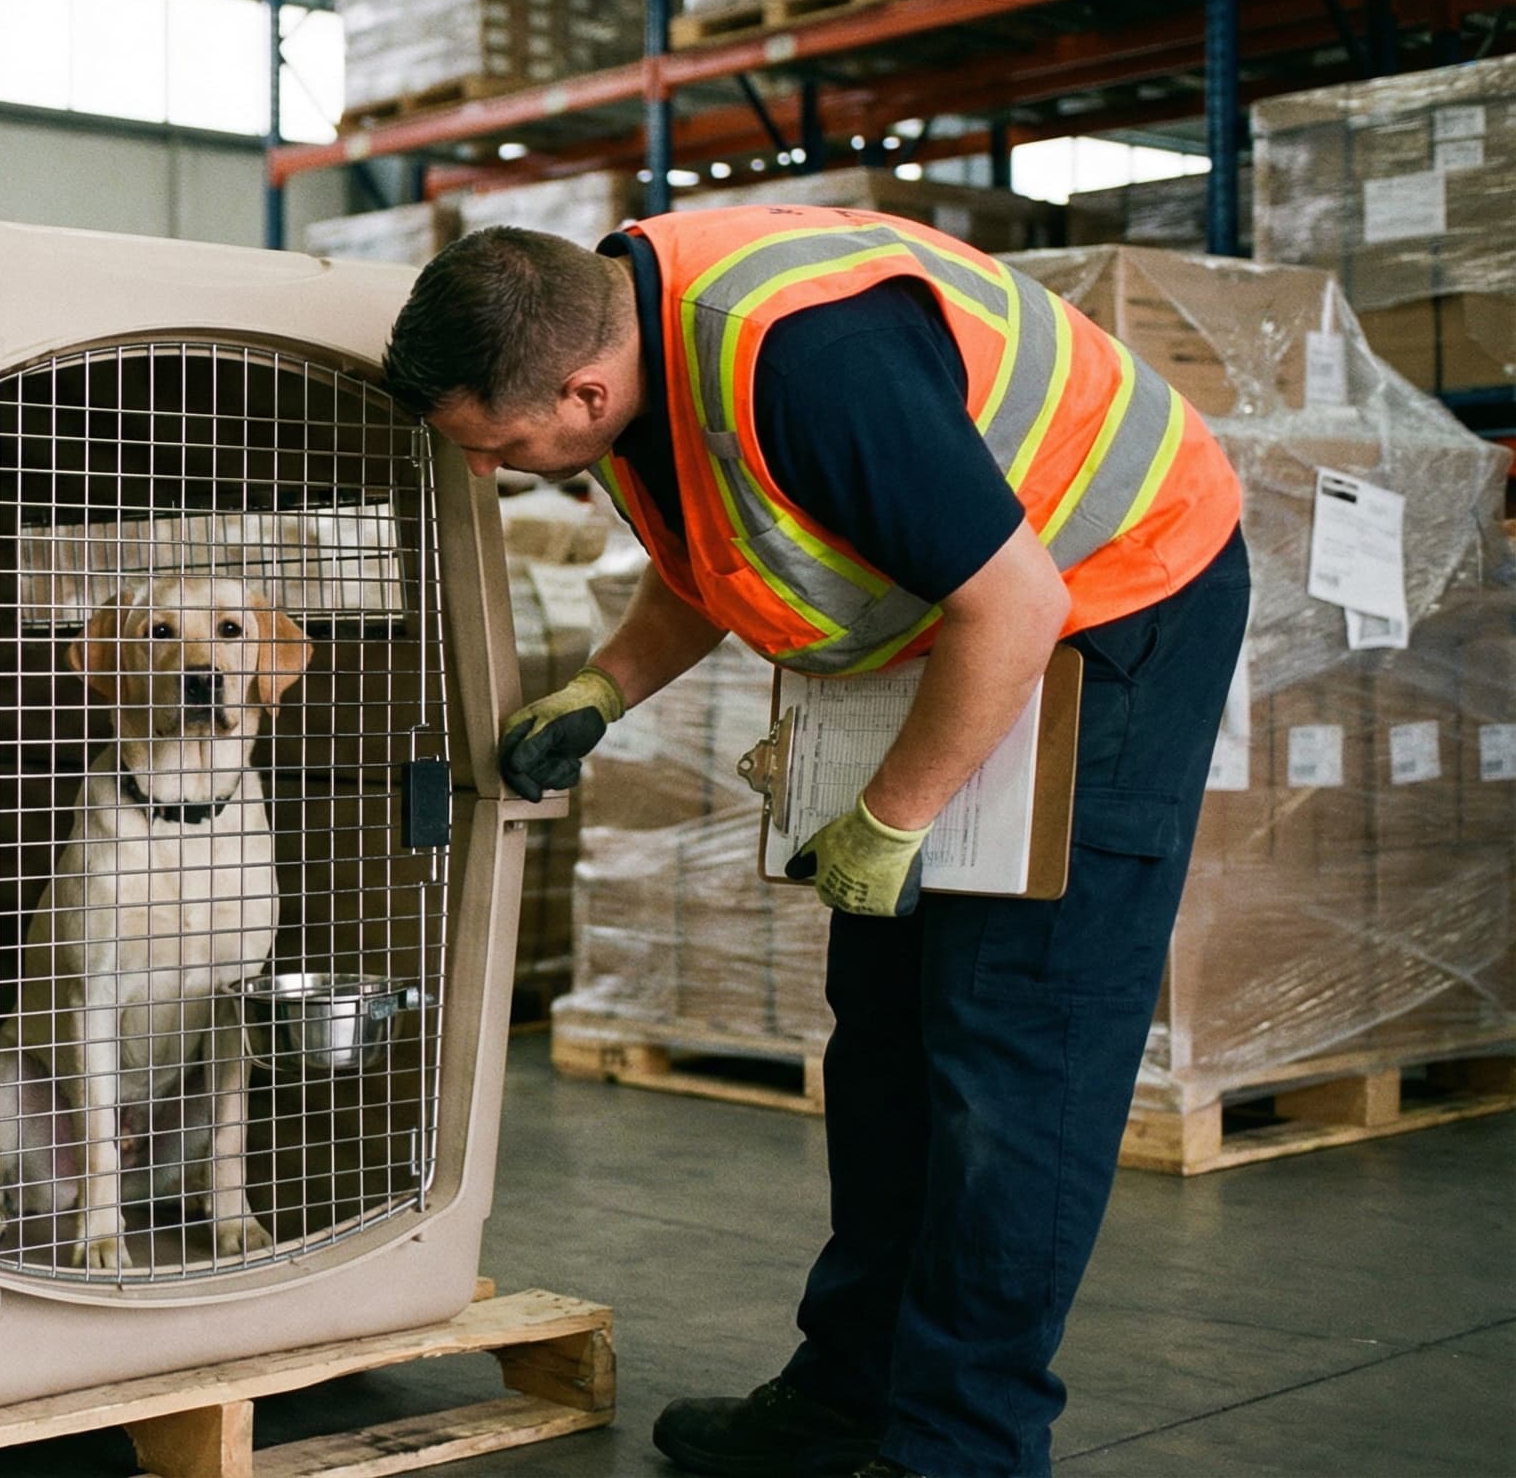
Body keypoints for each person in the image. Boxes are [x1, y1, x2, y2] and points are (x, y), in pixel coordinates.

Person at [380, 208, 1250, 1478]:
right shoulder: (628, 344)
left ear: (579, 389)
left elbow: (1015, 599)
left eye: (500, 448)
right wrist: (606, 689)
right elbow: (723, 544)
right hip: (955, 619)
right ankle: (849, 1392)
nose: (489, 470)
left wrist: (894, 815)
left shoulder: (805, 363)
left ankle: (962, 1447)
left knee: (1013, 1044)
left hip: (1113, 597)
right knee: (887, 1032)